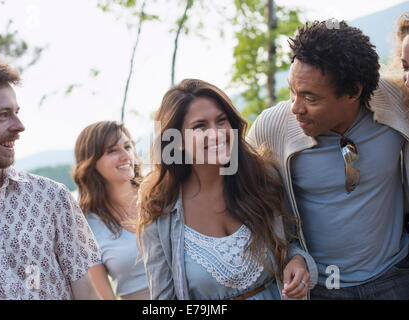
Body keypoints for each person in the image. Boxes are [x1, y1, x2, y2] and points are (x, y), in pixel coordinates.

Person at [246, 20, 409, 299]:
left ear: (354, 92)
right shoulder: (272, 127)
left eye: (310, 98)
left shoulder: (395, 101)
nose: (296, 107)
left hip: (396, 277)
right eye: (292, 91)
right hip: (323, 288)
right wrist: (292, 254)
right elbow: (240, 197)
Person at [137, 78, 317, 300]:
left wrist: (298, 261)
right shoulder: (159, 209)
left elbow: (293, 242)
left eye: (221, 121)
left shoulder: (263, 178)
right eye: (200, 126)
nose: (216, 133)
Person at [0, 53, 101, 300]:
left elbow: (86, 293)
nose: (19, 125)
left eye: (16, 111)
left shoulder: (52, 198)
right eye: (2, 114)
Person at [72, 121, 149, 300]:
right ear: (91, 162)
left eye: (128, 146)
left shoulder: (162, 196)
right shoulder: (87, 227)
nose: (125, 156)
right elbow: (104, 296)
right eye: (113, 150)